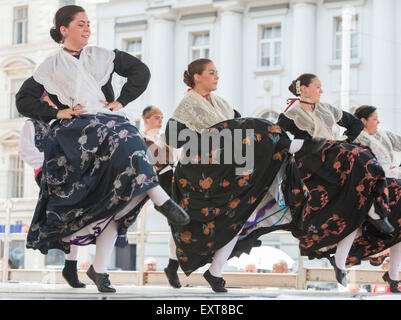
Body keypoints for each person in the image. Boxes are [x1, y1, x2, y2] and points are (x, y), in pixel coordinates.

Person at [15, 5, 189, 293]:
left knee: (117, 195)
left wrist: (120, 101)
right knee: (122, 139)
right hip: (77, 134)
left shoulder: (102, 55)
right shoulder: (50, 66)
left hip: (109, 125)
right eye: (81, 24)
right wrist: (60, 113)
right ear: (64, 29)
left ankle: (100, 269)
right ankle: (160, 199)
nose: (87, 29)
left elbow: (140, 72)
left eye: (88, 24)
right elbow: (24, 101)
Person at [164, 59, 324, 293]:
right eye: (211, 72)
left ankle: (214, 272)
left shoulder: (220, 102)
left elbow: (238, 127)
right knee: (188, 220)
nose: (217, 76)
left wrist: (225, 138)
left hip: (226, 169)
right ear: (197, 77)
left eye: (217, 72)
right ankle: (289, 145)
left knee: (237, 215)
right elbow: (173, 137)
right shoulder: (188, 104)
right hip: (198, 171)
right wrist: (211, 138)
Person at [276, 73, 395, 287]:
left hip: (334, 155)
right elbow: (280, 140)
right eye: (317, 86)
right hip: (311, 162)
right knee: (361, 156)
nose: (321, 91)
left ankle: (373, 210)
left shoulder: (326, 108)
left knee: (362, 158)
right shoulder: (291, 114)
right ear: (303, 88)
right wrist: (304, 147)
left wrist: (344, 142)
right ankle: (375, 210)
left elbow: (355, 125)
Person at [354, 105, 401, 179]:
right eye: (375, 119)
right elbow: (377, 171)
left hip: (394, 173)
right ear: (364, 121)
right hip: (384, 180)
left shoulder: (383, 134)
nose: (379, 122)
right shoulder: (357, 141)